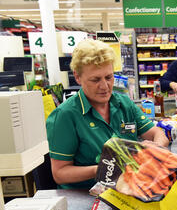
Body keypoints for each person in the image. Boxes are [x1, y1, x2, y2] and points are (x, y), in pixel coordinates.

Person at [46, 39, 169, 190]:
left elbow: (157, 133)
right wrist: (104, 168)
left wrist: (155, 148)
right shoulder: (65, 116)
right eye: (95, 79)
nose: (104, 86)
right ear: (77, 77)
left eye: (109, 77)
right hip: (84, 197)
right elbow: (60, 173)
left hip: (126, 190)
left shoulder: (124, 104)